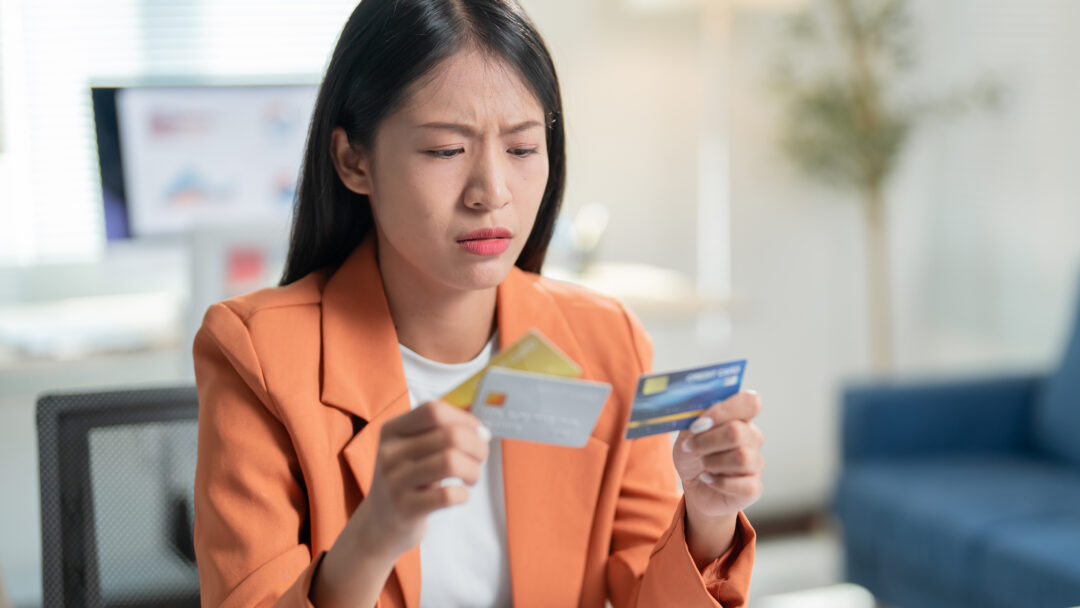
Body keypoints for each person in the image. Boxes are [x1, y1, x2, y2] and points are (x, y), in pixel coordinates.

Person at [192, 1, 764, 607]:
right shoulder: (257, 355)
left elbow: (639, 594)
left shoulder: (605, 339)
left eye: (521, 150)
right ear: (353, 160)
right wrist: (373, 536)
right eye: (445, 150)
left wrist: (706, 520)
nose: (492, 194)